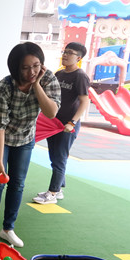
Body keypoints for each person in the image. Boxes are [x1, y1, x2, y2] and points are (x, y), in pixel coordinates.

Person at [0, 42, 61, 248]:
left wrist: (37, 85)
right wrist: (0, 164)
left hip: (25, 138)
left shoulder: (48, 79)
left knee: (17, 183)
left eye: (36, 66)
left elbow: (51, 112)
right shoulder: (4, 87)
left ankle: (8, 229)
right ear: (16, 68)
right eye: (25, 68)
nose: (32, 72)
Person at [33, 42, 90, 205]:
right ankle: (58, 189)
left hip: (67, 126)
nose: (65, 55)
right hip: (54, 123)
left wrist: (72, 122)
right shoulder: (59, 74)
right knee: (54, 156)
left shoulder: (80, 76)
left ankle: (52, 193)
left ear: (78, 58)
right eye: (64, 51)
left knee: (59, 158)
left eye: (70, 52)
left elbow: (85, 101)